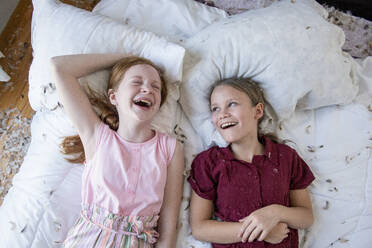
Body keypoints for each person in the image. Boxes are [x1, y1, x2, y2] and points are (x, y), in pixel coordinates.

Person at [51, 54, 184, 248]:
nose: (147, 89)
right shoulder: (97, 136)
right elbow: (60, 67)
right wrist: (128, 56)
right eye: (136, 82)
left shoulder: (170, 148)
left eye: (155, 87)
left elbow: (168, 228)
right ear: (114, 96)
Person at [187, 77, 315, 247]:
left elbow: (306, 218)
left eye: (232, 104)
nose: (222, 114)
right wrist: (261, 232)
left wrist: (275, 212)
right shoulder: (208, 163)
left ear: (258, 111)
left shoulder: (286, 157)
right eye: (215, 108)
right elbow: (200, 229)